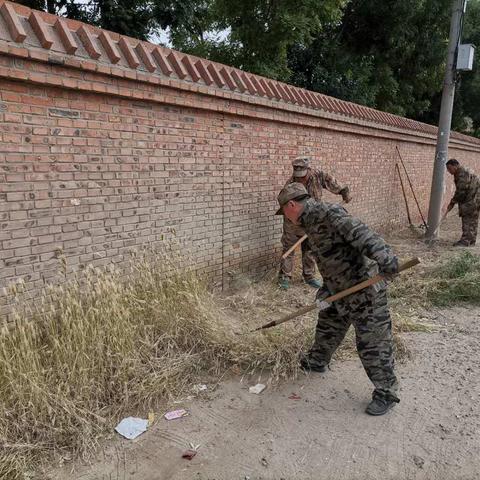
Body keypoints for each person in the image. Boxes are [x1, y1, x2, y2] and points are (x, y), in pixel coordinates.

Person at [275, 183, 400, 416]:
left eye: (284, 212)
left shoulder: (329, 214)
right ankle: (318, 360)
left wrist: (387, 258)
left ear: (292, 205)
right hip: (337, 288)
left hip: (364, 289)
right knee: (328, 325)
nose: (285, 217)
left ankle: (386, 392)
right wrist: (328, 288)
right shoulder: (309, 222)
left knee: (373, 342)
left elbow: (362, 234)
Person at [279, 156, 351, 290]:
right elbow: (286, 207)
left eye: (302, 176)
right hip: (293, 221)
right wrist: (294, 221)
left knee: (310, 248)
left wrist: (344, 191)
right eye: (297, 176)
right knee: (288, 247)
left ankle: (309, 276)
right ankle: (285, 276)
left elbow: (333, 183)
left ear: (308, 170)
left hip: (312, 219)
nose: (300, 179)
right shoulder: (290, 184)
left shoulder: (318, 176)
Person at [445, 159, 480, 246]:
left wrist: (452, 202)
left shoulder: (461, 173)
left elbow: (461, 191)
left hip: (471, 200)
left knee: (468, 219)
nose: (449, 171)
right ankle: (471, 240)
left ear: (455, 166)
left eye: (449, 169)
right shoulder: (464, 170)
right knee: (473, 221)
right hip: (476, 199)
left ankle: (465, 241)